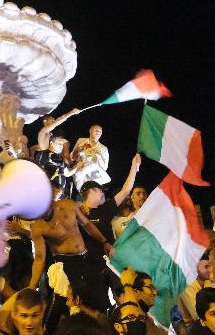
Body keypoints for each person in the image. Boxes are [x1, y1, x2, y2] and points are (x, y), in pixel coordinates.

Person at [28, 190, 115, 331]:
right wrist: (32, 286)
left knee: (96, 298)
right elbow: (39, 258)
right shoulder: (38, 227)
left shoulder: (68, 205)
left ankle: (101, 330)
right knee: (59, 302)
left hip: (85, 258)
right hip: (64, 262)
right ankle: (46, 332)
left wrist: (104, 241)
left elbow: (87, 225)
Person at [77, 152, 142, 311]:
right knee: (98, 307)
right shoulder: (76, 213)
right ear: (91, 191)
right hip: (91, 268)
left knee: (122, 298)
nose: (103, 193)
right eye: (100, 190)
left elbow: (126, 191)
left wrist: (134, 167)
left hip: (112, 263)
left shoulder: (106, 209)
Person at [177, 250, 215, 327]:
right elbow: (198, 315)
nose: (210, 270)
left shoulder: (206, 281)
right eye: (206, 267)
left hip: (209, 319)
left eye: (210, 266)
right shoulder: (187, 285)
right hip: (196, 325)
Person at [68, 124, 111, 192]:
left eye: (100, 131)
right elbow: (72, 158)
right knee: (80, 197)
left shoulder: (103, 148)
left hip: (94, 177)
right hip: (81, 176)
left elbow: (105, 167)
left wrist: (97, 156)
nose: (98, 132)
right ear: (90, 131)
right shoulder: (81, 141)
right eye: (96, 130)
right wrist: (78, 150)